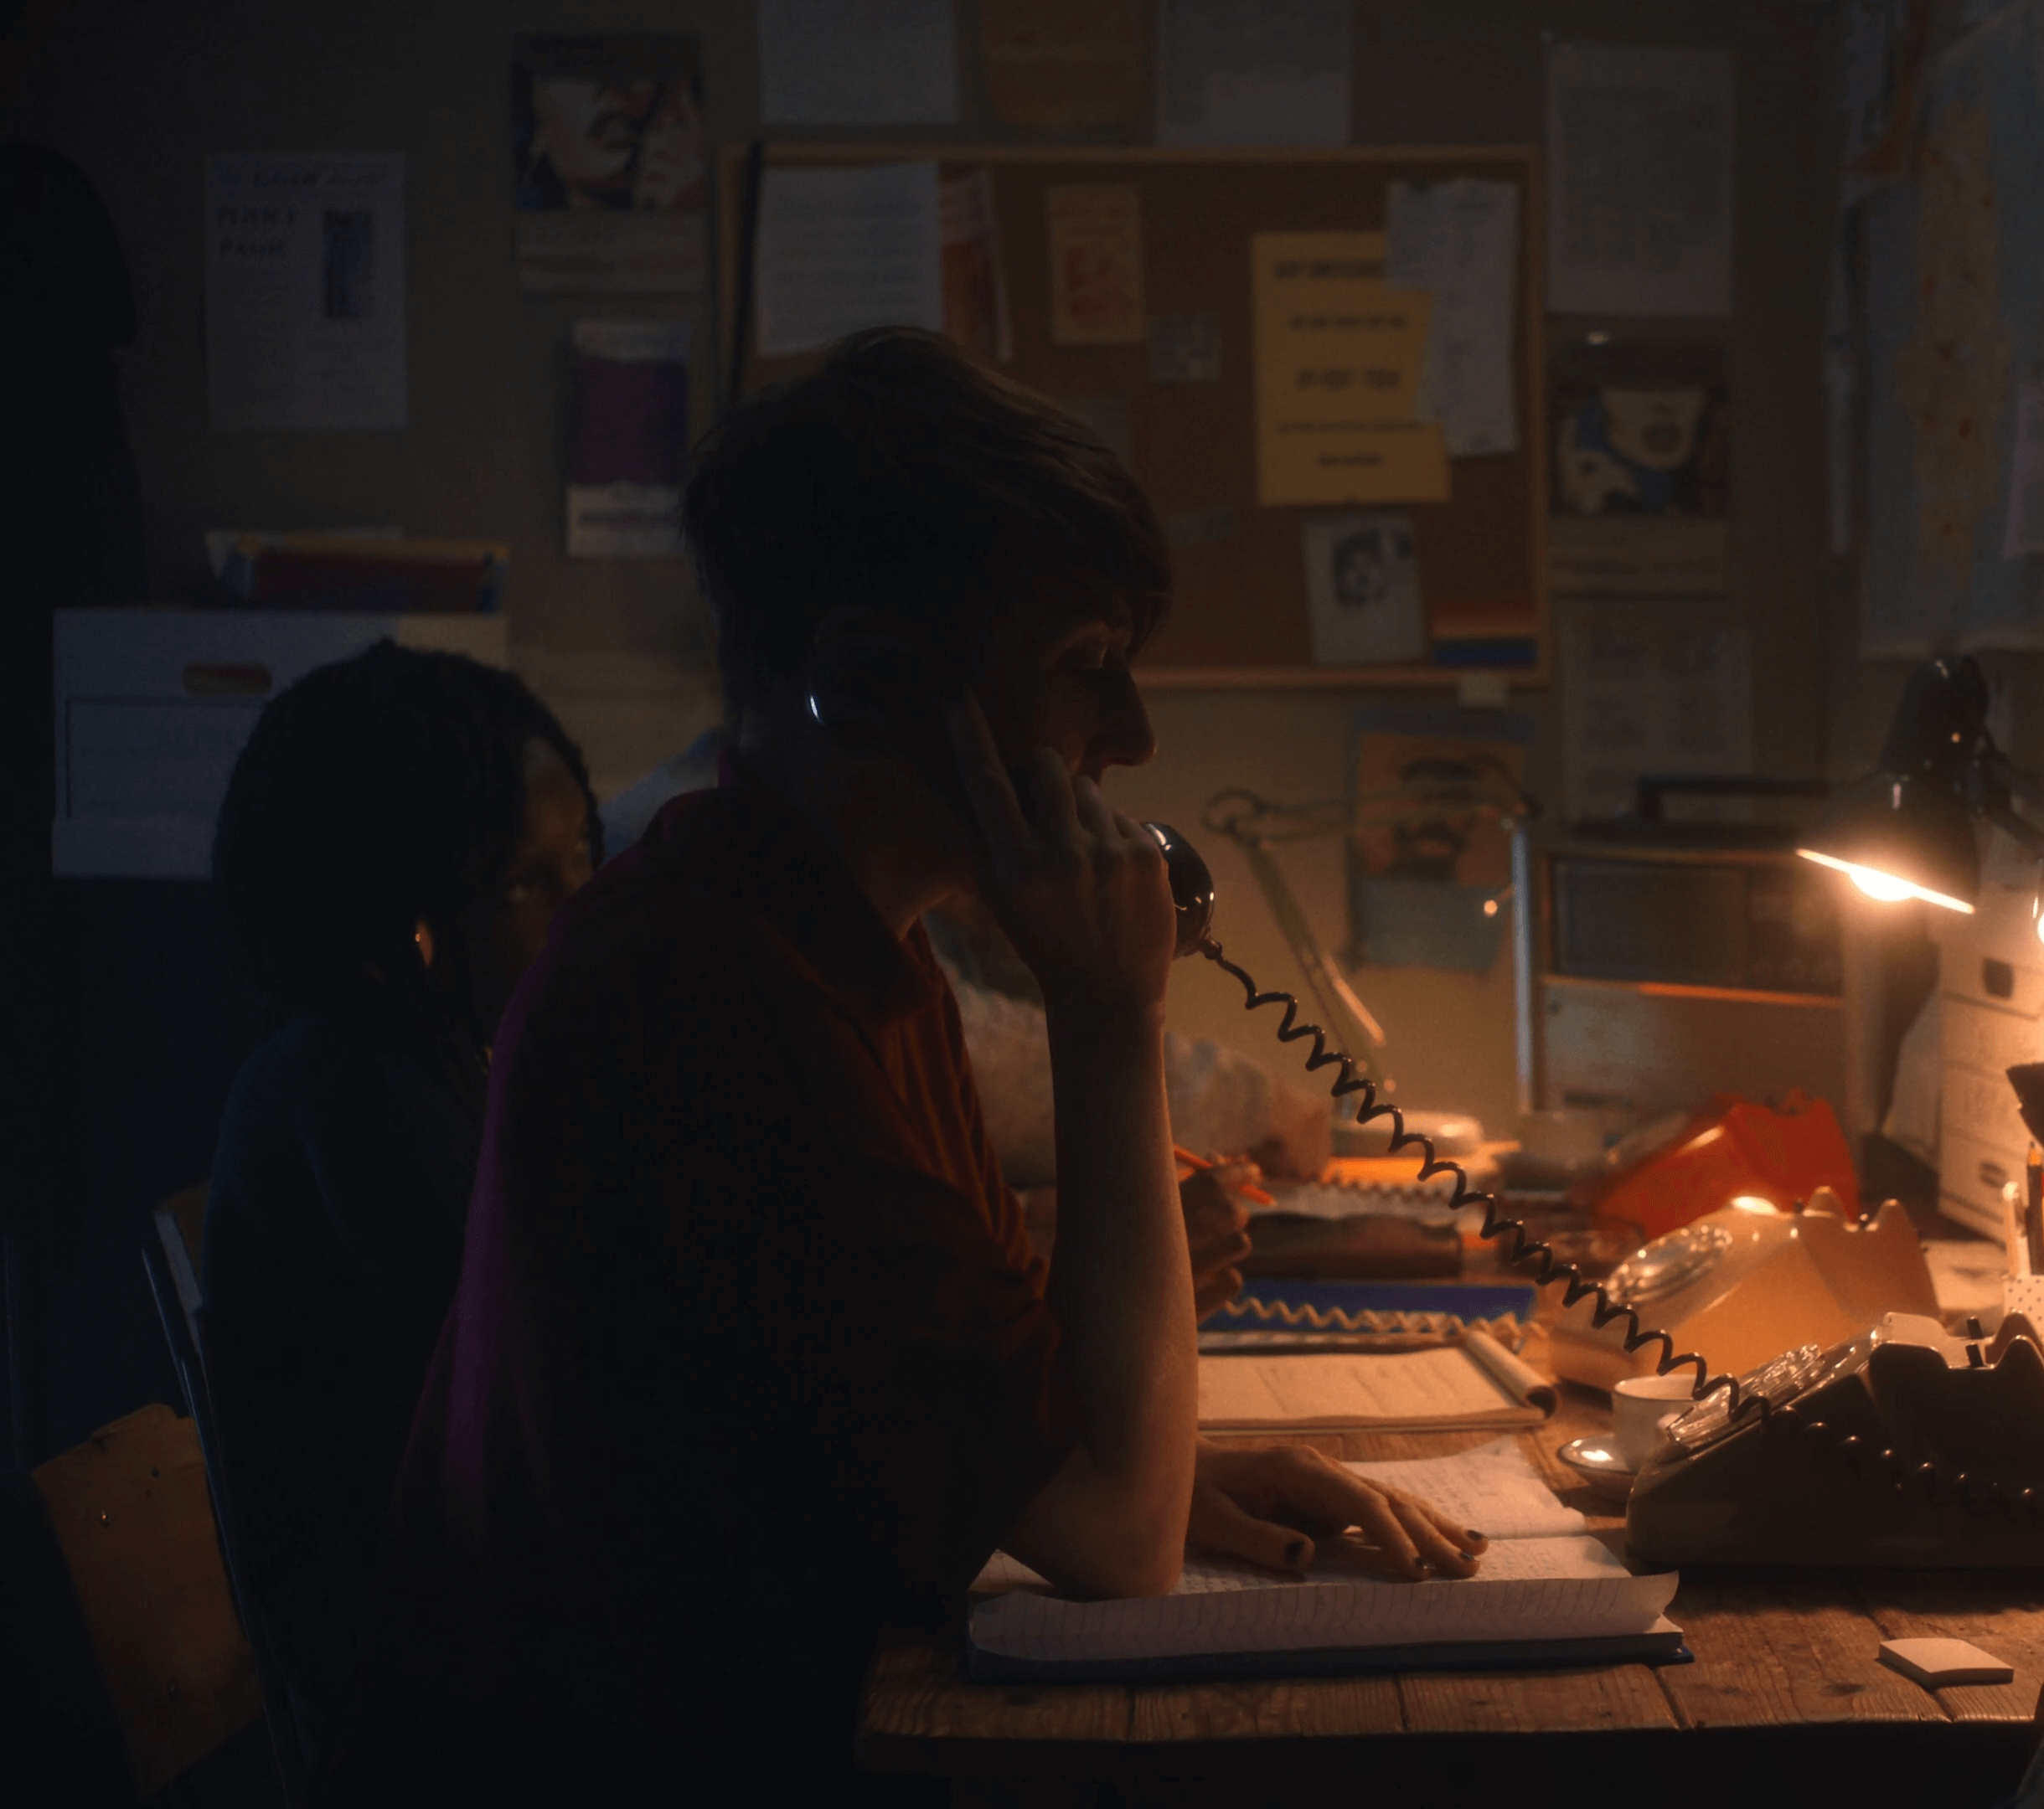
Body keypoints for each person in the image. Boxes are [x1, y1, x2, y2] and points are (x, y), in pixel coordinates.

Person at [335, 328, 1482, 1806]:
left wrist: (1177, 1481)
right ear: (871, 687)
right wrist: (1107, 1009)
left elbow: (1034, 1421)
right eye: (1087, 670)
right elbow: (1115, 1545)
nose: (1131, 738)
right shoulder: (714, 994)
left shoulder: (835, 940)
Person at [200, 642, 600, 1788]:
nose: (583, 908)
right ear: (404, 917)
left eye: (585, 858)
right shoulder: (351, 1098)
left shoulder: (416, 1075)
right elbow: (561, 1418)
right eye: (531, 881)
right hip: (457, 1750)